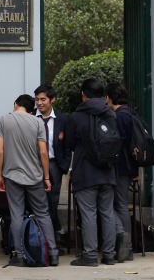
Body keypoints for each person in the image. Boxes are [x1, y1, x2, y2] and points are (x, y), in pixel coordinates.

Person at [0, 94, 59, 267]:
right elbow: (43, 152)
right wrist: (46, 176)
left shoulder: (3, 121)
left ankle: (20, 256)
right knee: (43, 214)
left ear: (15, 104)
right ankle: (53, 254)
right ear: (31, 110)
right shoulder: (38, 122)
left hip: (12, 175)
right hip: (35, 175)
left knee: (16, 215)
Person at [64, 78, 117, 267]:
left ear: (83, 95)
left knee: (88, 214)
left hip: (85, 173)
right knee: (107, 213)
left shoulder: (76, 117)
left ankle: (90, 255)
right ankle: (109, 255)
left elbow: (68, 144)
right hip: (108, 172)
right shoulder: (111, 115)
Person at [104, 82, 137, 263]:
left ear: (109, 98)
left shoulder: (118, 116)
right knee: (121, 204)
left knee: (117, 205)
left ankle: (125, 243)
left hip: (118, 166)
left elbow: (117, 142)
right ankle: (127, 245)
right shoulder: (130, 113)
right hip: (128, 165)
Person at [33, 85, 70, 245]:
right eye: (37, 100)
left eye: (43, 99)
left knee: (53, 199)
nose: (40, 103)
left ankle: (53, 234)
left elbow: (67, 144)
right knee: (39, 199)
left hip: (55, 164)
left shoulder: (63, 119)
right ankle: (52, 232)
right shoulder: (32, 118)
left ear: (52, 99)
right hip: (35, 164)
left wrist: (65, 165)